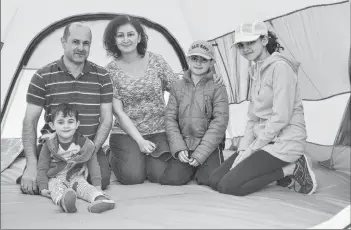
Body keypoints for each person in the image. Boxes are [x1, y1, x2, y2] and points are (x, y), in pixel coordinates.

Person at [103, 16, 224, 185]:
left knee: (160, 175)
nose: (126, 39)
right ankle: (110, 153)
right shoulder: (109, 71)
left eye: (130, 34)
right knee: (132, 177)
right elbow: (119, 112)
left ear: (139, 37)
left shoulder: (156, 61)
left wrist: (209, 77)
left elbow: (180, 89)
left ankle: (141, 158)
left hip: (159, 129)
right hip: (127, 133)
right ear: (113, 40)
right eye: (120, 35)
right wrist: (140, 141)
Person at [209, 20, 317, 196]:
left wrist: (252, 149)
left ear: (264, 40)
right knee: (215, 180)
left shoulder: (281, 68)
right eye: (241, 45)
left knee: (228, 186)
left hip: (284, 142)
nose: (245, 49)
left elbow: (281, 117)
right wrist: (243, 148)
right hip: (263, 141)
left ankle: (292, 168)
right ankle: (276, 169)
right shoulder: (255, 72)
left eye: (250, 42)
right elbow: (253, 118)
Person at [21, 22, 113, 195]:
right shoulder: (42, 76)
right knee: (33, 185)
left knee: (101, 180)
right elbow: (29, 122)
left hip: (89, 146)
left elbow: (107, 119)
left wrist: (89, 152)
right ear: (63, 42)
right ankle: (59, 184)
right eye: (75, 42)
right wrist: (32, 165)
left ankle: (64, 182)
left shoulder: (102, 76)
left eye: (86, 43)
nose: (81, 48)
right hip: (54, 148)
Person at [159, 40, 229, 186]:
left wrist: (201, 153)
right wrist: (179, 148)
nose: (198, 63)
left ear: (211, 62)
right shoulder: (177, 86)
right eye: (194, 58)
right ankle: (190, 167)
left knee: (209, 180)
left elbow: (219, 122)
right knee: (171, 179)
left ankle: (204, 165)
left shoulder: (218, 87)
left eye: (203, 59)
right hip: (184, 144)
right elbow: (170, 119)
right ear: (188, 59)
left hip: (208, 146)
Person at [37, 103, 115, 213]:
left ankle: (101, 199)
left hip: (75, 176)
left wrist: (97, 185)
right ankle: (65, 201)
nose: (66, 126)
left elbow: (94, 165)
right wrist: (43, 188)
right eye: (60, 122)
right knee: (55, 189)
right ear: (52, 125)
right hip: (55, 177)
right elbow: (42, 167)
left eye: (70, 122)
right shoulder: (49, 145)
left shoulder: (84, 144)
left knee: (85, 187)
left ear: (77, 124)